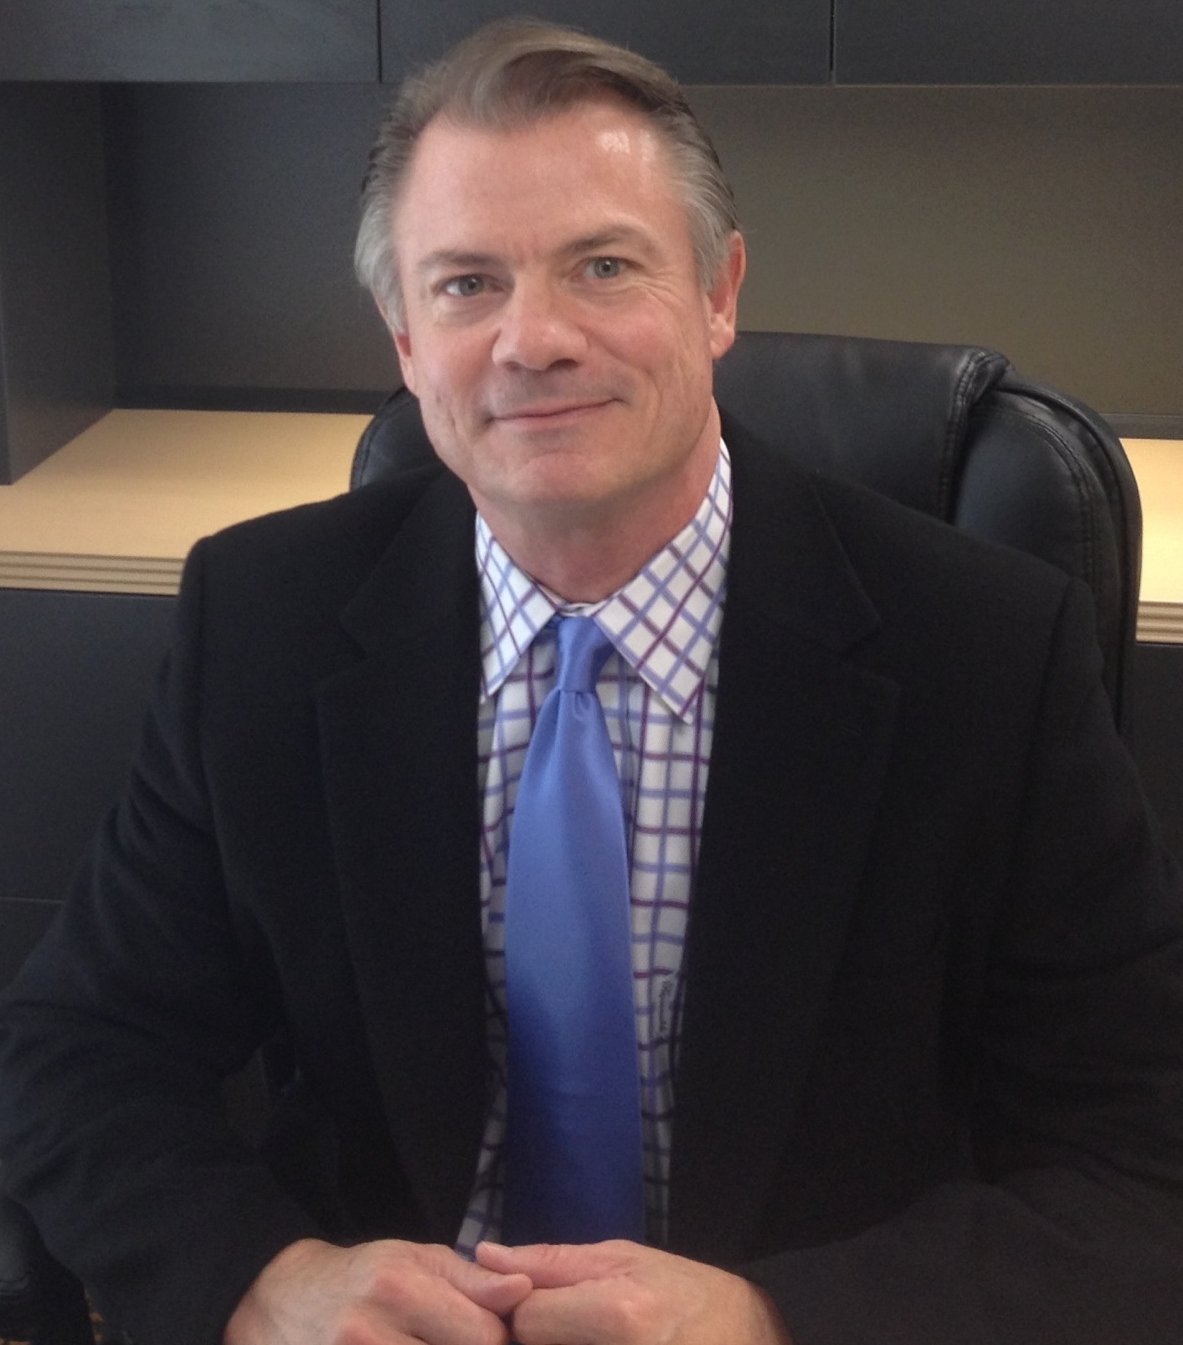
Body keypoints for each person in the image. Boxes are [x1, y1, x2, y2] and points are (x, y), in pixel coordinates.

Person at [2, 17, 1183, 1345]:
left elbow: (1137, 1170)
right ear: (402, 337)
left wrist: (769, 1319)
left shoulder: (984, 652)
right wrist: (264, 1280)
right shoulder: (261, 623)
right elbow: (78, 1049)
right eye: (464, 285)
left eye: (603, 265)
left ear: (719, 291)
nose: (534, 339)